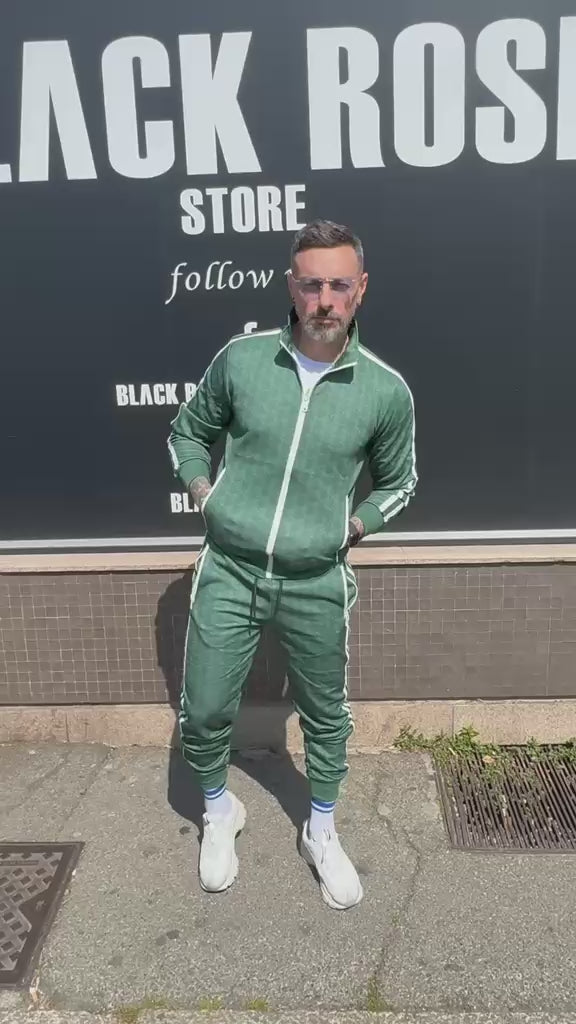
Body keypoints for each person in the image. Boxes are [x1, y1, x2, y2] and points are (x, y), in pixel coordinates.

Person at [167, 219, 417, 910]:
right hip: (230, 568)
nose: (324, 299)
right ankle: (219, 810)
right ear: (291, 287)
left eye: (338, 284)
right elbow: (188, 433)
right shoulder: (242, 360)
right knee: (204, 709)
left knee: (326, 715)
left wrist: (353, 526)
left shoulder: (384, 390)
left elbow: (400, 482)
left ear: (360, 289)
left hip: (316, 579)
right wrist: (204, 491)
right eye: (311, 285)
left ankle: (322, 830)